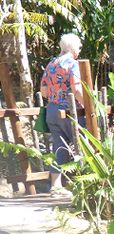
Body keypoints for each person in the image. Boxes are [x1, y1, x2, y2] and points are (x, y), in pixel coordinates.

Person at [40, 33, 84, 197]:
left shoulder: (51, 64)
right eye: (79, 47)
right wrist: (87, 105)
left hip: (52, 110)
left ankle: (56, 186)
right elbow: (76, 88)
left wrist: (55, 96)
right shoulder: (72, 64)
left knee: (59, 147)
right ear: (73, 48)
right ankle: (84, 183)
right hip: (69, 111)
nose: (79, 50)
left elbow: (43, 91)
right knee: (82, 144)